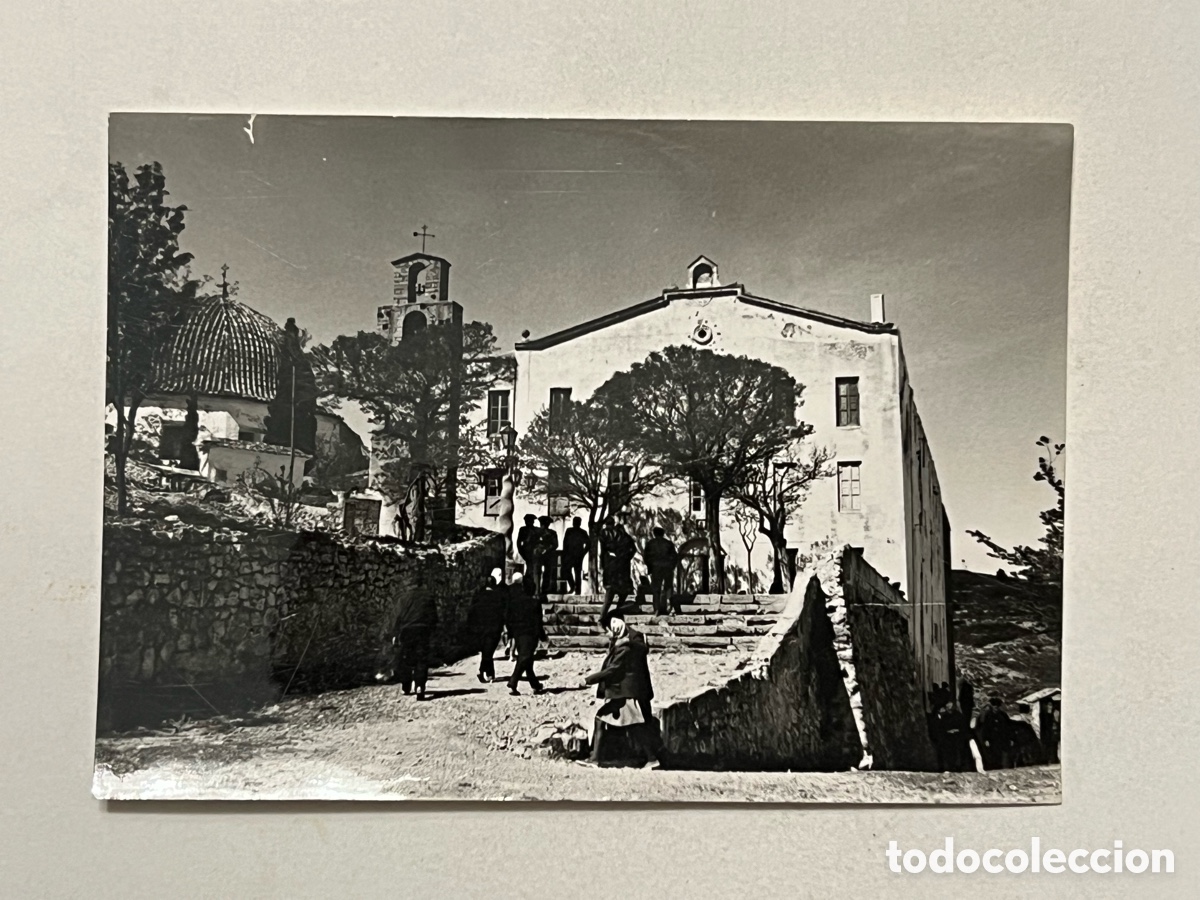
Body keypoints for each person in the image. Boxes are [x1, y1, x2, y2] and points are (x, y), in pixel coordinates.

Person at [580, 616, 661, 769]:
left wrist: (588, 680)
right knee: (635, 725)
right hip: (627, 692)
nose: (606, 634)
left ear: (616, 630)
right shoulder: (623, 643)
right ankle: (650, 758)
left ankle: (595, 759)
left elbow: (612, 670)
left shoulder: (625, 647)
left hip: (625, 693)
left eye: (607, 631)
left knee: (603, 719)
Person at [385, 581, 439, 700]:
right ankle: (420, 685)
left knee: (406, 659)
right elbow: (434, 617)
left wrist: (394, 633)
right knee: (421, 659)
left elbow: (396, 617)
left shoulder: (403, 598)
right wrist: (432, 632)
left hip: (407, 631)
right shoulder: (428, 597)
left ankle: (406, 686)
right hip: (423, 630)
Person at [504, 569, 547, 696]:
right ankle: (513, 681)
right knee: (525, 657)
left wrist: (510, 632)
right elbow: (538, 622)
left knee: (528, 660)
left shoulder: (516, 602)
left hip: (518, 633)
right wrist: (542, 636)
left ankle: (535, 684)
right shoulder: (535, 603)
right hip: (530, 634)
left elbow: (508, 617)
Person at [466, 567, 507, 683]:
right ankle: (484, 671)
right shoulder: (498, 597)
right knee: (488, 651)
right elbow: (502, 613)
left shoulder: (478, 596)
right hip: (494, 628)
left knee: (486, 651)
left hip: (480, 628)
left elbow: (472, 612)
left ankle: (489, 673)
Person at [598, 518, 638, 626]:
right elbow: (633, 549)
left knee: (610, 594)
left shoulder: (604, 535)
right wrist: (626, 558)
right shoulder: (625, 536)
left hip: (611, 567)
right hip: (622, 567)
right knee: (622, 592)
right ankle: (615, 613)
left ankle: (602, 619)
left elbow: (601, 552)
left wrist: (602, 565)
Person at [642, 527, 679, 615]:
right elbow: (675, 557)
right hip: (667, 568)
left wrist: (650, 567)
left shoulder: (650, 543)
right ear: (663, 534)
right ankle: (670, 607)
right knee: (668, 588)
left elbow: (646, 557)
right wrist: (671, 567)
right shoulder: (669, 543)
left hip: (656, 568)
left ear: (654, 534)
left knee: (656, 589)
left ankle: (657, 609)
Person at [975, 695, 1012, 770]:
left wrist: (1010, 738)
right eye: (995, 707)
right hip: (991, 738)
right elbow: (985, 728)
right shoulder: (988, 716)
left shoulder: (1003, 715)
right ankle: (992, 767)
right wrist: (985, 739)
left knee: (1000, 754)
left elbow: (1008, 727)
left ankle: (999, 766)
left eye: (997, 707)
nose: (996, 708)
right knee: (991, 754)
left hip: (1001, 738)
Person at [562, 517, 590, 595]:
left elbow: (588, 544)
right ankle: (573, 586)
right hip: (570, 555)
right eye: (575, 522)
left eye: (577, 522)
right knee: (566, 570)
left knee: (577, 573)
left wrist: (583, 553)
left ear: (579, 523)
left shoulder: (582, 532)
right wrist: (565, 554)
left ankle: (577, 591)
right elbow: (565, 543)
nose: (575, 523)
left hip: (578, 555)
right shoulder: (569, 531)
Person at [536, 515, 559, 598]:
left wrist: (547, 550)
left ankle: (545, 589)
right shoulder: (536, 532)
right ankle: (536, 589)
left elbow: (555, 544)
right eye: (542, 523)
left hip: (549, 555)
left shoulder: (552, 533)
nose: (544, 525)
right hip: (537, 555)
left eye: (546, 523)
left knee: (548, 572)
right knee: (536, 572)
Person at [516, 514, 538, 585]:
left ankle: (530, 583)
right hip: (526, 550)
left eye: (530, 521)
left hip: (535, 551)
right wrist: (521, 551)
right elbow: (519, 541)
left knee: (532, 568)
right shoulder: (523, 529)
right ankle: (528, 583)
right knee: (529, 567)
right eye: (527, 521)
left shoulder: (536, 530)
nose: (528, 522)